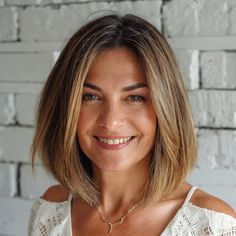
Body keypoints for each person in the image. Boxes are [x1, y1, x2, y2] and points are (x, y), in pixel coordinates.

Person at [28, 14, 236, 236]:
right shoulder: (49, 212)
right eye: (90, 96)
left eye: (135, 98)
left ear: (166, 108)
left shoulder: (211, 225)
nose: (110, 121)